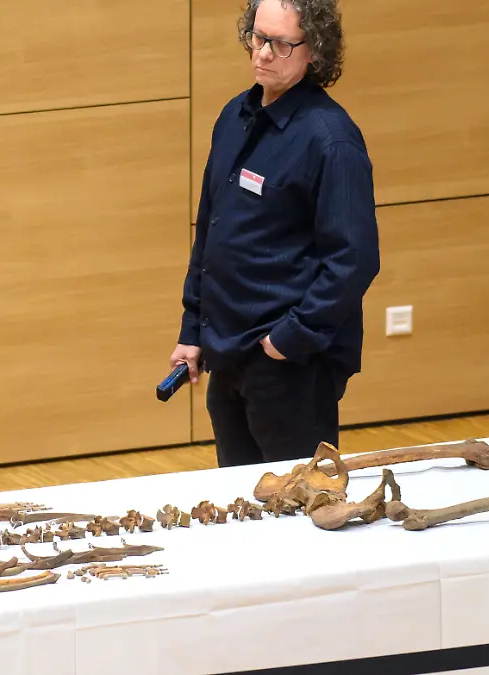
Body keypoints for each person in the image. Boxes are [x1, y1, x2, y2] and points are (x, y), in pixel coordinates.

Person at [170, 0, 380, 468]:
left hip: (288, 364)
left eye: (281, 44)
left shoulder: (331, 141)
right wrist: (193, 328)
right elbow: (212, 231)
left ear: (316, 53)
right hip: (227, 350)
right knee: (242, 504)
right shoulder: (234, 116)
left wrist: (289, 339)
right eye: (258, 37)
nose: (263, 53)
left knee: (299, 509)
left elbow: (354, 259)